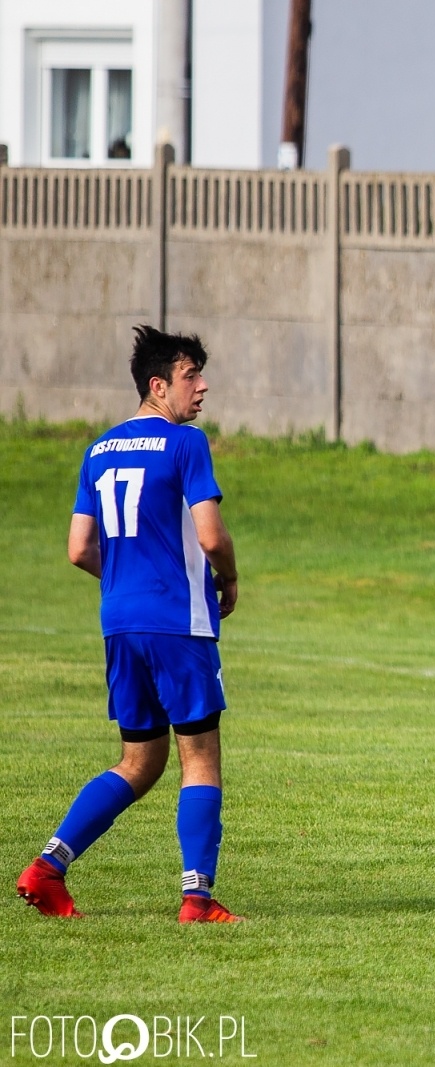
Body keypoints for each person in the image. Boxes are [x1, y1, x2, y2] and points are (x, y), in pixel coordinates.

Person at [16, 326, 242, 923]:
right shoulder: (185, 443)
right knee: (200, 758)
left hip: (120, 622)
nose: (203, 386)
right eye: (192, 376)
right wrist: (231, 577)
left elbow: (77, 548)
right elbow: (211, 535)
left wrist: (126, 579)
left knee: (140, 762)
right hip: (177, 622)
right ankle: (197, 899)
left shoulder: (98, 450)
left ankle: (47, 868)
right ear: (158, 385)